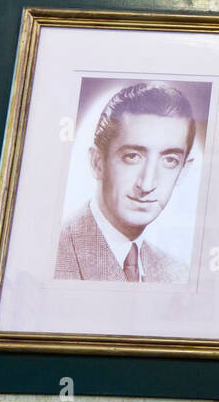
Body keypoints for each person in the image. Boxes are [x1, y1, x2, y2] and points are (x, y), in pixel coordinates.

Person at [55, 82, 196, 284]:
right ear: (97, 162)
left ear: (183, 171)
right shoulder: (52, 257)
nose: (147, 185)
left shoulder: (178, 275)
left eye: (170, 160)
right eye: (132, 156)